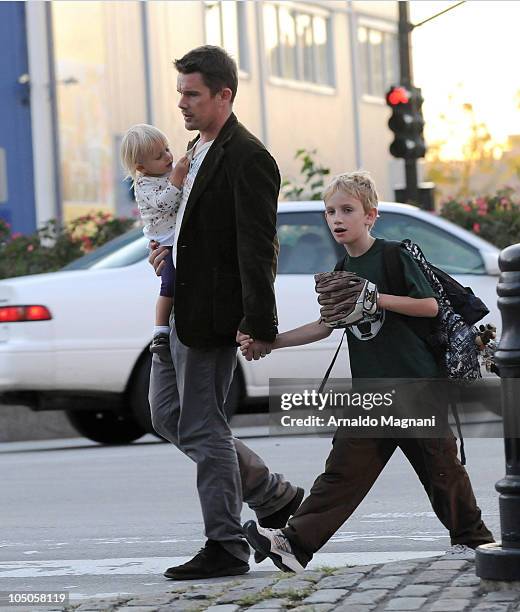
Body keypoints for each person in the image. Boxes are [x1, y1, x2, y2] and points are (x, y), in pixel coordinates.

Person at [240, 171, 494, 572]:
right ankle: (293, 543)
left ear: (370, 215)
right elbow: (326, 325)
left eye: (347, 210)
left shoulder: (394, 256)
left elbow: (429, 306)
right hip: (373, 391)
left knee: (441, 469)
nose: (337, 218)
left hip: (415, 385)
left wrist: (375, 297)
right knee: (344, 470)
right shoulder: (341, 268)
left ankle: (473, 541)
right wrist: (271, 342)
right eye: (330, 212)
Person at [147, 46, 303, 580]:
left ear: (223, 95)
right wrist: (167, 250)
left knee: (203, 426)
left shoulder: (248, 156)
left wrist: (259, 324)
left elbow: (258, 248)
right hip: (178, 310)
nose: (183, 104)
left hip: (212, 316)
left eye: (192, 94)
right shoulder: (197, 147)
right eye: (181, 94)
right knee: (167, 416)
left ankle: (226, 545)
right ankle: (270, 493)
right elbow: (193, 226)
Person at [120, 124, 190, 355]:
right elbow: (165, 202)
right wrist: (178, 177)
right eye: (159, 156)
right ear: (141, 167)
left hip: (177, 236)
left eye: (168, 149)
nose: (168, 156)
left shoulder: (168, 173)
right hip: (165, 240)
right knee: (169, 283)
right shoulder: (144, 184)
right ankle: (160, 330)